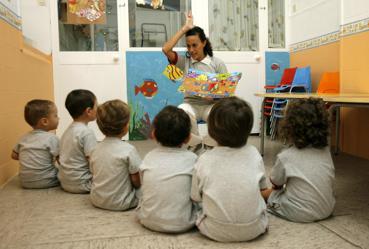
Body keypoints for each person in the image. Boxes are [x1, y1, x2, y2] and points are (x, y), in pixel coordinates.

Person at [191, 96, 268, 242]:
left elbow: (195, 197)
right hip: (255, 229)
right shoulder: (254, 154)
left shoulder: (204, 159)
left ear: (211, 131)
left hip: (213, 230)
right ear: (248, 129)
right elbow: (262, 190)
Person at [162, 11, 227, 150]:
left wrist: (214, 97)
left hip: (210, 105)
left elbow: (226, 94)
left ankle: (212, 146)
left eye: (195, 45)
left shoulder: (217, 63)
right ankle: (195, 145)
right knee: (182, 111)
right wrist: (185, 28)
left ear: (203, 43)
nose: (191, 50)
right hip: (191, 104)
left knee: (220, 113)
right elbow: (166, 49)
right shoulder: (184, 61)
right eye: (188, 46)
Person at [265, 98, 335, 223]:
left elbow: (276, 182)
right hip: (327, 209)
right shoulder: (325, 151)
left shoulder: (286, 156)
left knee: (269, 193)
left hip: (298, 213)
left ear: (289, 127)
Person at [137, 106, 198, 233]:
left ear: (153, 134)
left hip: (147, 219)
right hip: (183, 223)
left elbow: (144, 186)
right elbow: (196, 194)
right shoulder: (193, 159)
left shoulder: (148, 157)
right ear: (188, 138)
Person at [90, 100, 141, 211]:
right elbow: (136, 181)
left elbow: (94, 173)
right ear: (125, 126)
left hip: (96, 200)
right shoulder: (129, 150)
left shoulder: (95, 149)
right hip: (122, 203)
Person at [11, 99, 60, 189]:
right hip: (48, 181)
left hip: (25, 182)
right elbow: (61, 160)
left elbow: (14, 155)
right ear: (44, 121)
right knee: (62, 172)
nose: (58, 118)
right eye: (55, 115)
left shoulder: (23, 137)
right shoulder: (52, 138)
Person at [58, 89, 98, 194]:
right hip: (84, 184)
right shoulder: (87, 133)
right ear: (89, 111)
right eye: (96, 107)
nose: (98, 110)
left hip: (65, 183)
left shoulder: (67, 130)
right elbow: (93, 161)